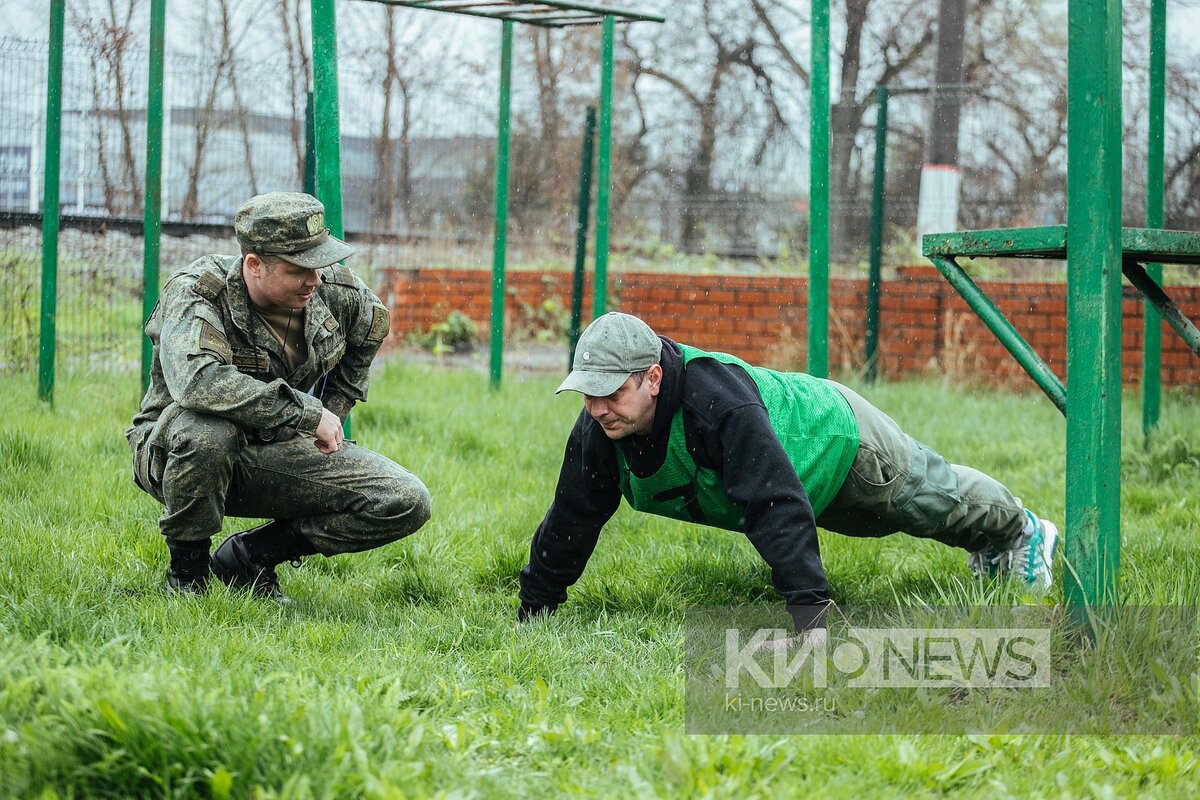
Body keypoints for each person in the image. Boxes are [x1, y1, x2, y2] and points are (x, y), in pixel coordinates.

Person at [517, 312, 1057, 636]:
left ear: (653, 378)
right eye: (588, 393)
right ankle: (991, 546)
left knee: (930, 503)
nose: (597, 408)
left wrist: (809, 622)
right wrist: (534, 611)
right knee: (885, 527)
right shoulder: (600, 431)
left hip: (839, 442)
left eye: (611, 393)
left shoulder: (715, 406)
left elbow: (772, 505)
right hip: (800, 483)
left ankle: (1023, 532)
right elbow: (572, 517)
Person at [126, 192, 431, 601]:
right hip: (177, 453)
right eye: (300, 268)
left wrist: (333, 413)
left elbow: (371, 326)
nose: (315, 278)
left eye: (320, 262)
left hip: (275, 446)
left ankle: (250, 556)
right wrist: (307, 412)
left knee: (404, 500)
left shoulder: (332, 291)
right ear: (255, 265)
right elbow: (198, 383)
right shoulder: (198, 293)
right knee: (207, 431)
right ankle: (188, 576)